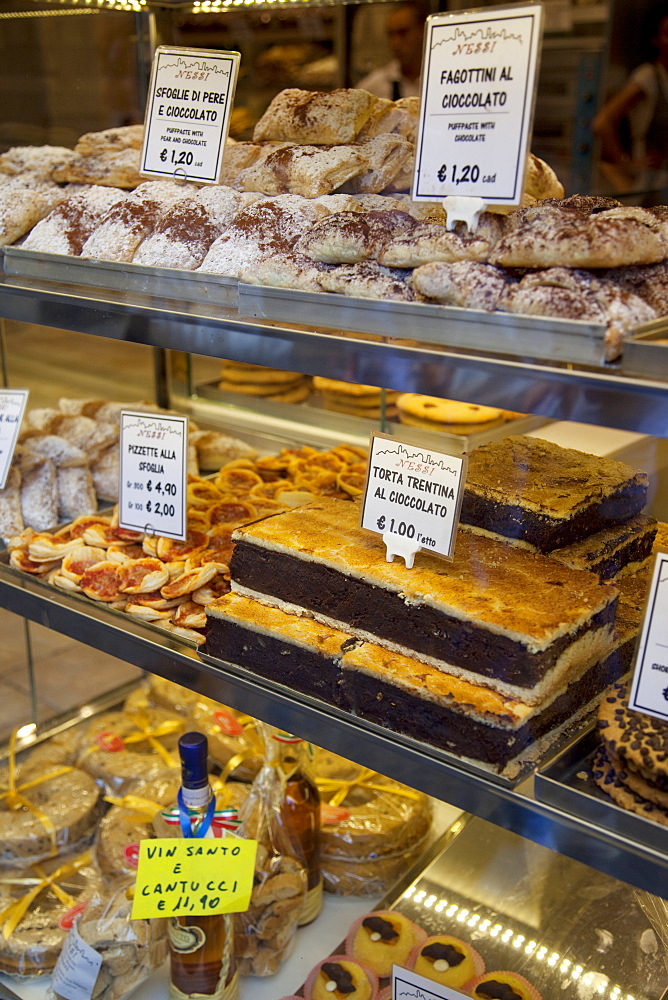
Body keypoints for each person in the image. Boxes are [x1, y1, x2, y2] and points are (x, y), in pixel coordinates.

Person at [593, 3, 668, 194]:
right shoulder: (648, 77)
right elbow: (602, 123)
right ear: (655, 40)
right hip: (646, 186)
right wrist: (627, 163)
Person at [356, 1, 431, 101]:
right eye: (391, 34)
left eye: (403, 33)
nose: (396, 43)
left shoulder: (438, 79)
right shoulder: (373, 86)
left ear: (422, 31)